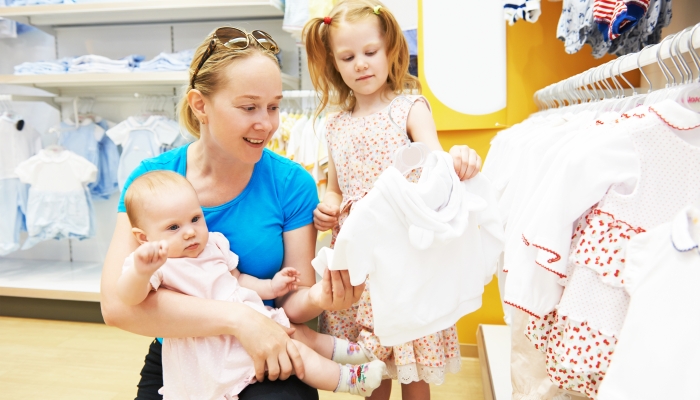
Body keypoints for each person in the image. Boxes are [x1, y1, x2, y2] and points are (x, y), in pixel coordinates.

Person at [99, 26, 366, 400]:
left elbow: (294, 304)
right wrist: (239, 320)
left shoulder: (291, 184)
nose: (267, 123)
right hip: (182, 351)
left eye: (274, 106)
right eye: (249, 107)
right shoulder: (150, 182)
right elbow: (117, 307)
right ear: (200, 105)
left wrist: (320, 297)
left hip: (272, 343)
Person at [303, 1, 482, 399]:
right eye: (348, 57)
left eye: (370, 52)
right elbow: (336, 185)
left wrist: (461, 160)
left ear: (390, 51)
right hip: (358, 255)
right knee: (372, 366)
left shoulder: (409, 108)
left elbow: (438, 165)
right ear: (335, 63)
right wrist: (328, 204)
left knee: (411, 356)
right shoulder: (333, 125)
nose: (361, 64)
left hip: (404, 252)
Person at [117, 170, 387, 399]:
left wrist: (271, 286)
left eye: (195, 219)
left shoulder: (213, 244)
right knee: (297, 353)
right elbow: (129, 298)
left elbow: (237, 280)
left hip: (252, 315)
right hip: (215, 341)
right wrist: (141, 272)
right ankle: (350, 379)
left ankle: (354, 351)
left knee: (302, 334)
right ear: (143, 238)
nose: (189, 231)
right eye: (173, 227)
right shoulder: (158, 264)